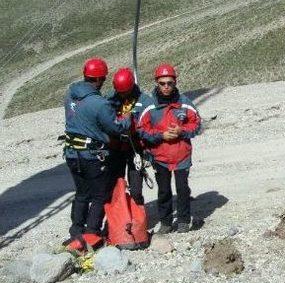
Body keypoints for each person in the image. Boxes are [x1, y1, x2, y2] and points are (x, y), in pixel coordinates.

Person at [63, 58, 131, 246]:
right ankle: (92, 232)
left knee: (82, 193)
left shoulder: (70, 95)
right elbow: (116, 128)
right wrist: (126, 118)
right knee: (101, 194)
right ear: (101, 78)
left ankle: (76, 231)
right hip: (91, 156)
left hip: (71, 153)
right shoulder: (99, 103)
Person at [137, 63, 202, 234]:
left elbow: (196, 124)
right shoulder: (149, 106)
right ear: (156, 83)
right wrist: (160, 136)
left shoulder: (185, 103)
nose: (166, 87)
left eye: (169, 83)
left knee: (182, 189)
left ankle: (183, 221)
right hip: (160, 157)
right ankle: (166, 222)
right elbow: (142, 130)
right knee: (164, 191)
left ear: (175, 82)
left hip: (182, 156)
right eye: (162, 83)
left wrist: (182, 131)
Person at [107, 67, 152, 206]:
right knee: (116, 186)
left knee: (136, 189)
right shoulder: (110, 100)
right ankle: (120, 220)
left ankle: (139, 220)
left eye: (125, 92)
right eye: (119, 92)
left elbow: (150, 126)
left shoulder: (145, 101)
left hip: (135, 149)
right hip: (116, 149)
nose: (122, 95)